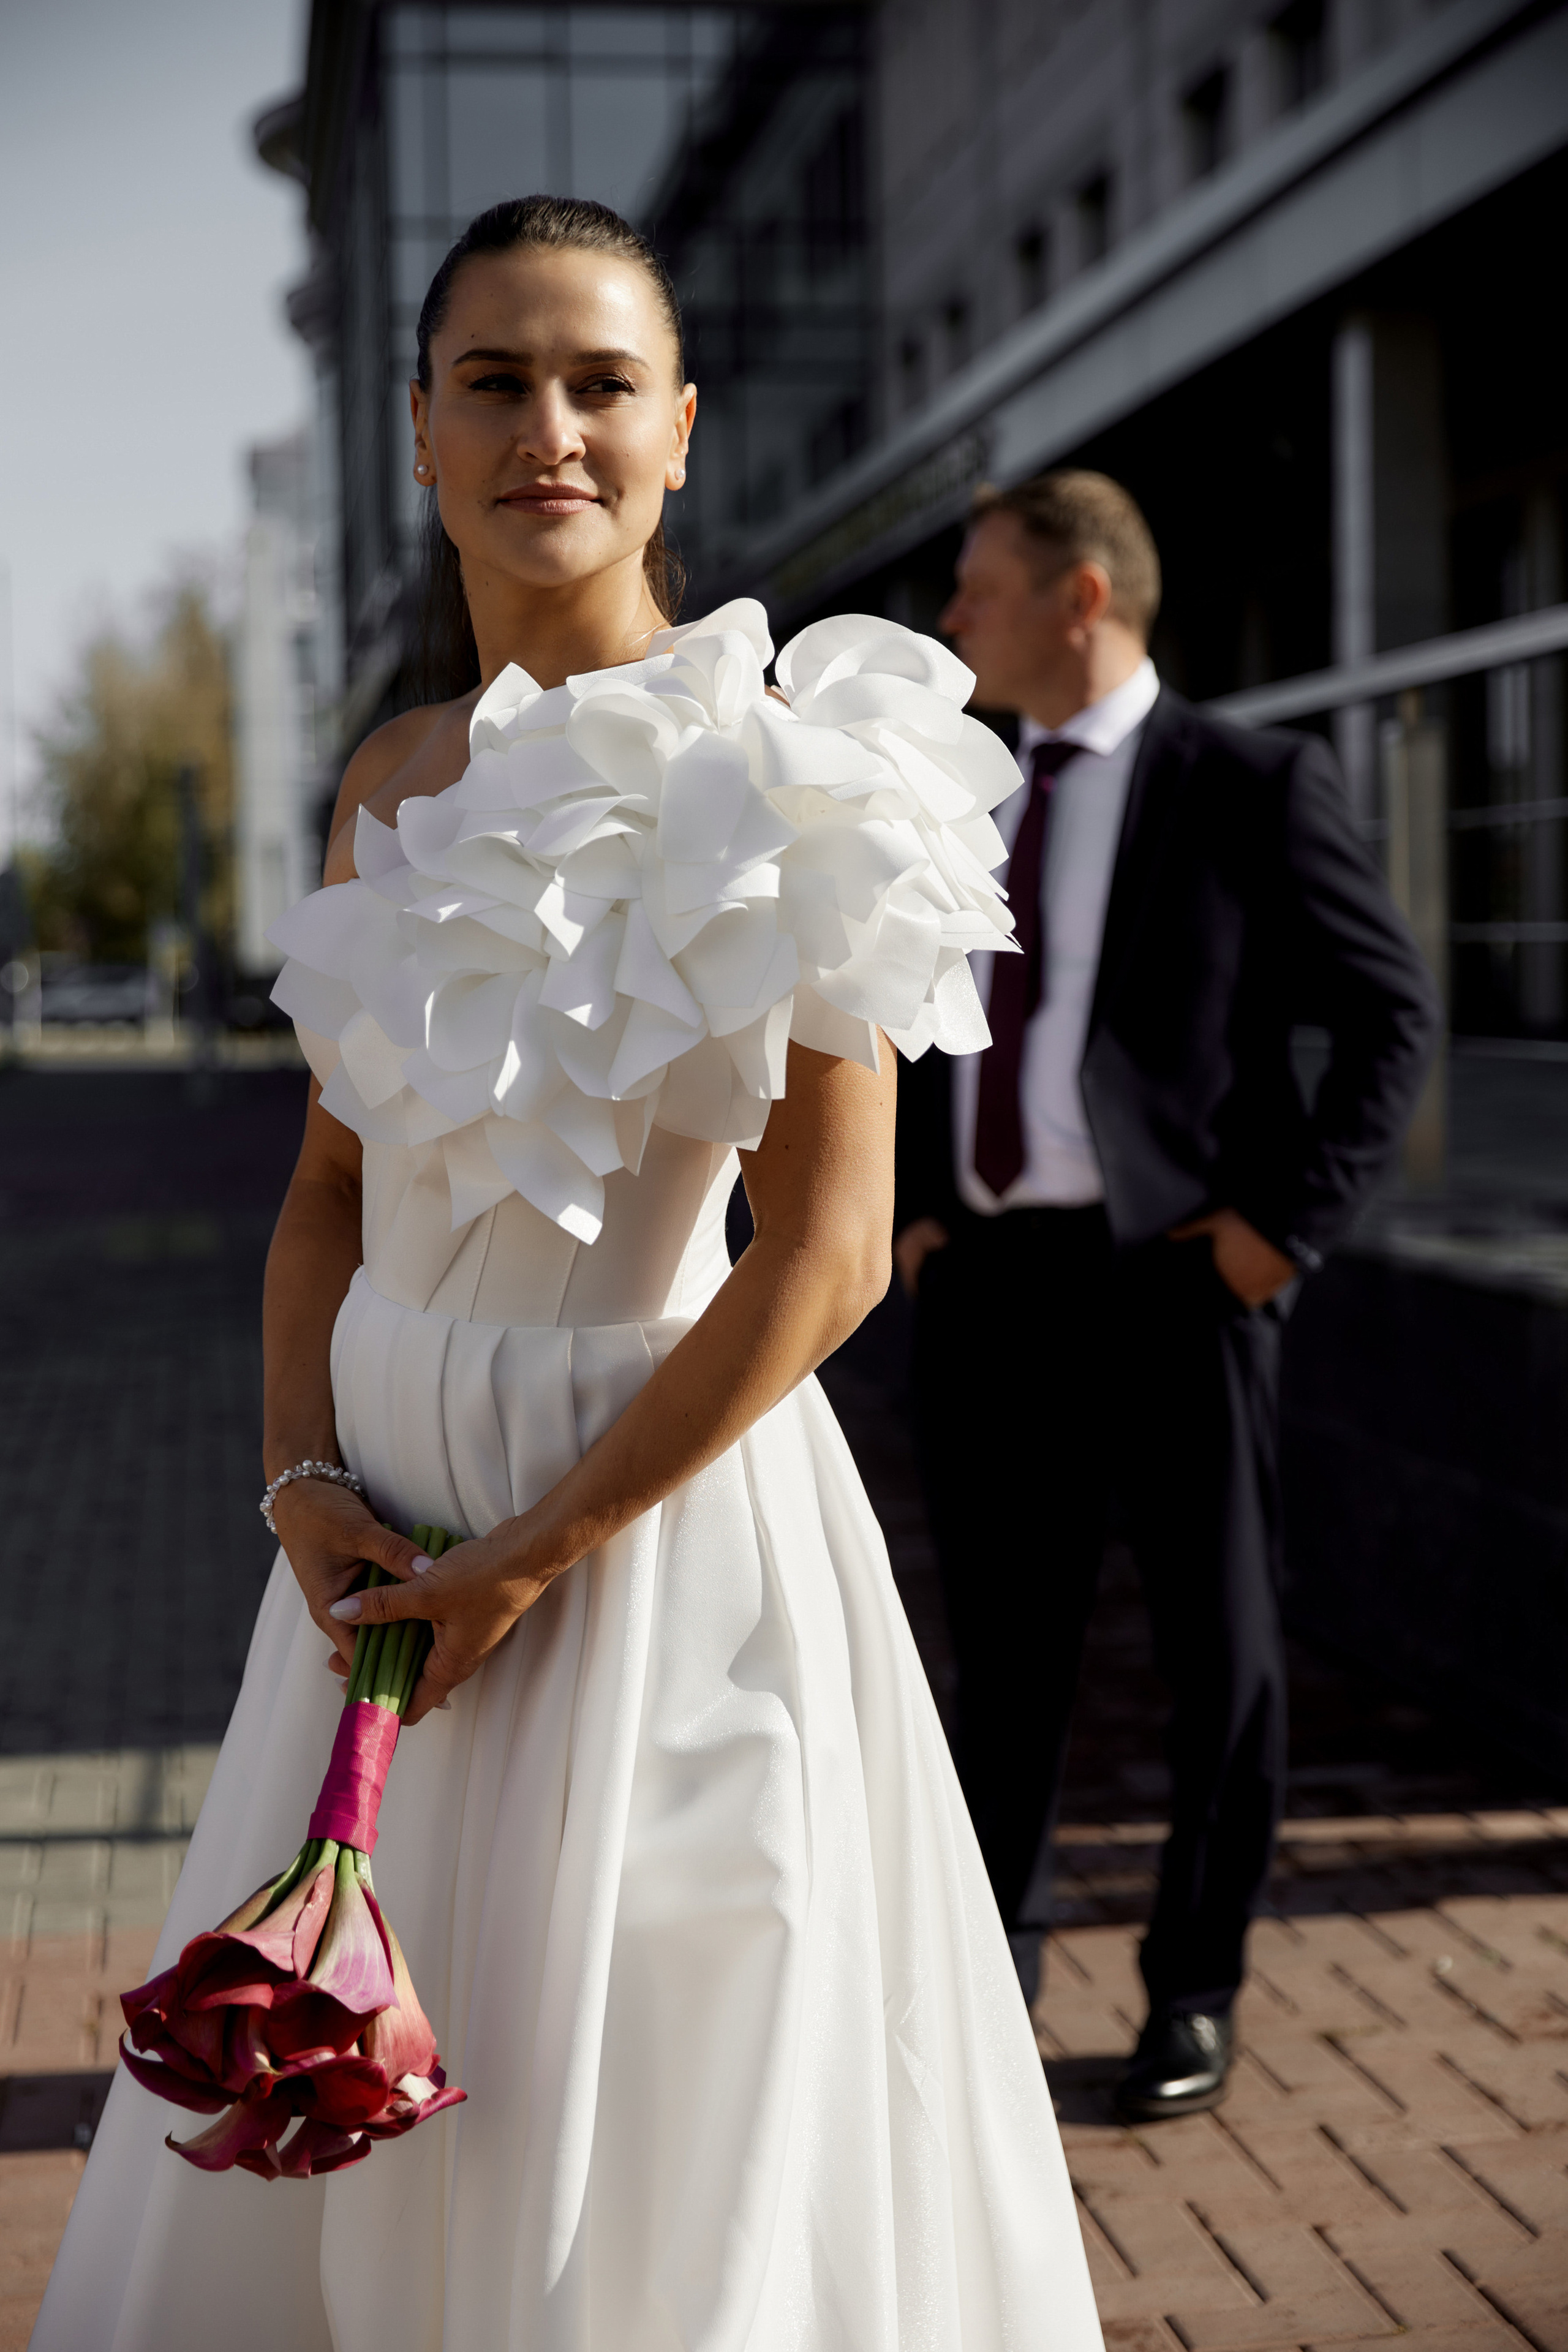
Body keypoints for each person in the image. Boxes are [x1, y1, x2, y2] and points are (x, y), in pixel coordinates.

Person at [33, 201, 1104, 2352]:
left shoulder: (815, 766)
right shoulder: (384, 785)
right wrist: (292, 1483)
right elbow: (326, 1196)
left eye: (603, 381)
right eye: (496, 382)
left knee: (650, 2129)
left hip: (654, 1531)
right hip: (368, 1544)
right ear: (420, 434)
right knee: (361, 2106)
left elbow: (818, 1260)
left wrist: (536, 1552)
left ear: (682, 430)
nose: (553, 429)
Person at [895, 470, 1439, 2122]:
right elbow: (910, 1011)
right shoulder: (954, 795)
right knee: (1005, 1658)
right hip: (993, 1288)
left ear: (1083, 598)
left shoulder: (1254, 783)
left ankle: (1192, 1993)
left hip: (1177, 1280)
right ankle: (996, 1981)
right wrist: (924, 1214)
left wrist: (1283, 1231)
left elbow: (1391, 1015)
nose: (949, 623)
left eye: (979, 591)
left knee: (1225, 1656)